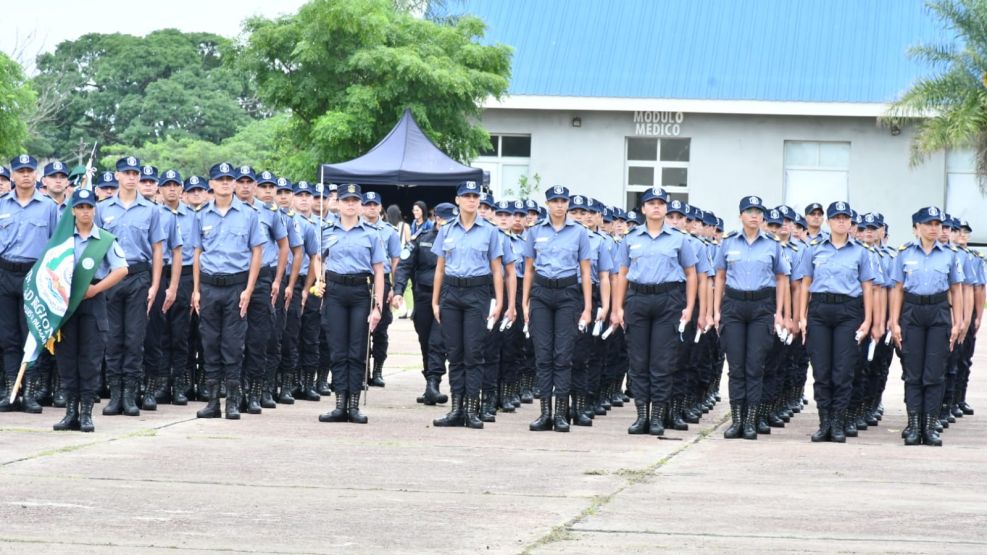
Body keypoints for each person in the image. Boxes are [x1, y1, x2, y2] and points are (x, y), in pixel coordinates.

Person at [610, 187, 697, 435]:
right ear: (644, 209)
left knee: (662, 361)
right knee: (638, 361)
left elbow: (691, 274)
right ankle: (641, 416)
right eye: (651, 203)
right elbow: (622, 274)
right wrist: (618, 308)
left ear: (666, 208)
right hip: (637, 299)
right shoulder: (631, 238)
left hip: (668, 300)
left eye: (661, 203)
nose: (656, 207)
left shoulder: (679, 239)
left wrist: (689, 308)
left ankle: (657, 416)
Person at [190, 162, 267, 420]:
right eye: (219, 179)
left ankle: (233, 401)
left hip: (236, 286)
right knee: (210, 343)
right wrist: (197, 290)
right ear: (210, 183)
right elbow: (197, 253)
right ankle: (213, 401)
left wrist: (249, 289)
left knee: (233, 345)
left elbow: (257, 251)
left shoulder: (248, 214)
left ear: (234, 183)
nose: (225, 182)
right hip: (210, 287)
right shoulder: (201, 215)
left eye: (229, 179)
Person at [796, 202, 877, 443]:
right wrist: (802, 316)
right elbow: (805, 284)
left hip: (848, 311)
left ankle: (838, 422)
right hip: (819, 310)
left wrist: (868, 319)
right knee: (821, 370)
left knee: (843, 370)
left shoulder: (860, 251)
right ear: (829, 222)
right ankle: (825, 423)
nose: (841, 221)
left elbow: (868, 287)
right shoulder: (814, 249)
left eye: (845, 218)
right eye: (837, 218)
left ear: (851, 223)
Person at [713, 195, 791, 440]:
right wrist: (716, 311)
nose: (754, 215)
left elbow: (781, 278)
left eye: (758, 211)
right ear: (740, 216)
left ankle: (750, 421)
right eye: (749, 211)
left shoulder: (772, 244)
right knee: (736, 367)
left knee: (755, 365)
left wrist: (779, 313)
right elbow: (720, 277)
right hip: (734, 306)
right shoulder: (728, 243)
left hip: (761, 306)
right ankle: (736, 420)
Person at [52, 188, 129, 432]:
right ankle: (70, 413)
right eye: (80, 207)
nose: (85, 212)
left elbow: (121, 269)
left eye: (89, 207)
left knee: (90, 359)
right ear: (73, 211)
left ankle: (86, 413)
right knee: (66, 359)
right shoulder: (62, 238)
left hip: (93, 301)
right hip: (66, 302)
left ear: (95, 210)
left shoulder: (104, 239)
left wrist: (97, 290)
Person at [96, 156, 167, 417]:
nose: (131, 177)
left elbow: (158, 249)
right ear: (117, 176)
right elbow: (94, 247)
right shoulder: (103, 209)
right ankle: (115, 395)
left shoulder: (151, 210)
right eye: (126, 173)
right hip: (111, 278)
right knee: (113, 338)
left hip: (139, 277)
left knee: (135, 339)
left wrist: (155, 284)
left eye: (135, 173)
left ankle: (130, 395)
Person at [430, 181, 504, 429]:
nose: (472, 200)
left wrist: (500, 301)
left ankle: (472, 409)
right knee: (455, 352)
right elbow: (440, 267)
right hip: (451, 292)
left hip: (477, 292)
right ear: (458, 200)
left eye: (475, 196)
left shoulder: (490, 231)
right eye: (467, 196)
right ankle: (456, 409)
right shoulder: (447, 229)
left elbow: (497, 270)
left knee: (473, 352)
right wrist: (435, 300)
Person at [890, 207, 964, 446]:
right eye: (928, 224)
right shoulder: (904, 253)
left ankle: (930, 427)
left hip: (939, 311)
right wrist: (894, 321)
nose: (934, 228)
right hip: (912, 311)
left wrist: (958, 321)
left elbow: (956, 289)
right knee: (913, 372)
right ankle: (913, 425)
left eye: (937, 224)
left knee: (934, 372)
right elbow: (897, 289)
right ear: (916, 228)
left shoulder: (949, 254)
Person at [522, 185, 592, 433]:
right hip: (541, 293)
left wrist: (587, 307)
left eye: (563, 201)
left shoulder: (579, 232)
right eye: (555, 201)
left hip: (567, 294)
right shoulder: (535, 232)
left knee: (563, 355)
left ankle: (561, 414)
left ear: (568, 204)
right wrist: (525, 301)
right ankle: (545, 414)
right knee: (543, 355)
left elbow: (585, 271)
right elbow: (529, 268)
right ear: (547, 204)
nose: (559, 205)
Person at [315, 183, 385, 424]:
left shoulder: (371, 233)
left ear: (361, 205)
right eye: (346, 200)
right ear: (338, 203)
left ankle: (353, 405)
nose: (351, 204)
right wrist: (319, 279)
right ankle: (339, 404)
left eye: (355, 200)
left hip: (360, 292)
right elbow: (318, 258)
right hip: (334, 291)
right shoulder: (326, 230)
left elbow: (379, 271)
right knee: (337, 348)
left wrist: (378, 307)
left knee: (357, 349)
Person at [0, 155, 59, 413]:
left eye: (29, 171)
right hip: (4, 273)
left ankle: (31, 392)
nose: (25, 175)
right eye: (20, 171)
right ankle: (12, 389)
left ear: (37, 175)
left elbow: (56, 247)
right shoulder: (2, 204)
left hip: (34, 276)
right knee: (8, 336)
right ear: (12, 175)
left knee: (32, 336)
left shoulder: (48, 207)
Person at [233, 165, 291, 414]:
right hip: (234, 277)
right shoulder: (224, 210)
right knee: (234, 341)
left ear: (255, 185)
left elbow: (284, 246)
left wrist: (278, 280)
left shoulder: (268, 212)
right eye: (241, 181)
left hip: (262, 280)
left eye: (250, 182)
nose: (246, 186)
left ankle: (254, 392)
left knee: (258, 339)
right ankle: (235, 392)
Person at [393, 202, 453, 406]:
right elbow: (404, 265)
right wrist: (399, 291)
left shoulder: (455, 240)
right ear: (436, 219)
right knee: (426, 341)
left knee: (437, 342)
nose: (447, 224)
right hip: (423, 296)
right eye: (444, 219)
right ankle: (430, 385)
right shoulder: (421, 239)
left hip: (447, 299)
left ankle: (434, 384)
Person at [362, 192, 401, 388]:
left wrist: (394, 287)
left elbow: (395, 261)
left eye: (374, 204)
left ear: (380, 207)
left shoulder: (389, 231)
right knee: (359, 329)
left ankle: (377, 370)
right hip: (361, 280)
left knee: (380, 329)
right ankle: (362, 370)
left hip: (383, 281)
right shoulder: (355, 228)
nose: (371, 207)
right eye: (367, 204)